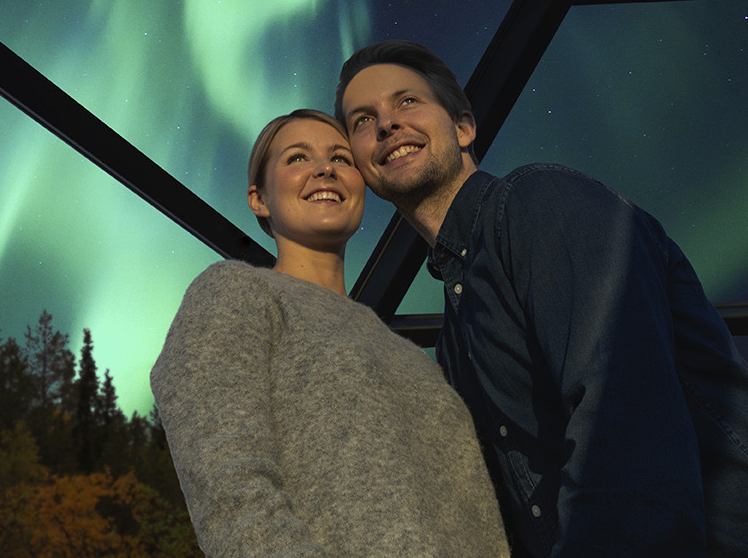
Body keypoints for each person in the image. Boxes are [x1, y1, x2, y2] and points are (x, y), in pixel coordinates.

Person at [334, 40, 748, 558]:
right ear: (360, 163)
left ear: (464, 127)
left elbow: (620, 403)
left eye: (407, 102)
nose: (386, 124)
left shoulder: (538, 202)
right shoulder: (458, 329)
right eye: (363, 120)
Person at [150, 108, 510, 558]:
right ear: (259, 199)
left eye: (341, 158)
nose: (325, 168)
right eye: (297, 158)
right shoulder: (235, 293)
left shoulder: (410, 355)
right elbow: (231, 496)